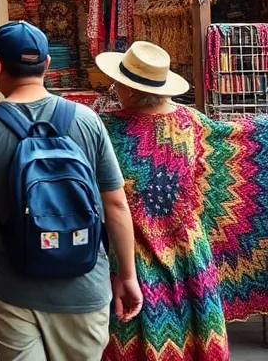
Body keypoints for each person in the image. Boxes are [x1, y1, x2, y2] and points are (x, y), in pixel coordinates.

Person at [0, 21, 141, 361]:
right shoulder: (87, 120)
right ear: (48, 65)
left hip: (10, 286)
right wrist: (127, 276)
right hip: (84, 286)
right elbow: (116, 205)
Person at [97, 41, 268, 361]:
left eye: (117, 83)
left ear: (131, 90)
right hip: (191, 257)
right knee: (194, 343)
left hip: (132, 257)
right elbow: (247, 140)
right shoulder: (192, 123)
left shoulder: (108, 129)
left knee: (133, 342)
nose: (115, 89)